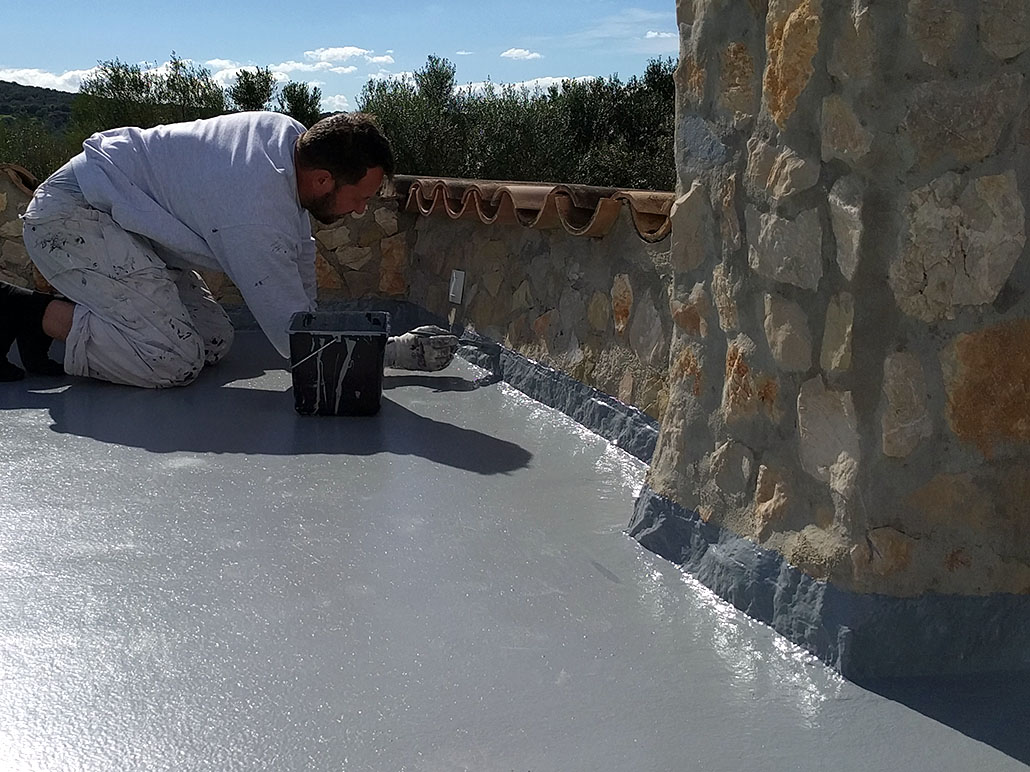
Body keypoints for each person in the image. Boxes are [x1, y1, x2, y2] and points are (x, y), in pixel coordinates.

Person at [0, 111, 458, 386]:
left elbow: (298, 256)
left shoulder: (290, 142)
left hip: (124, 222)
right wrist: (394, 352)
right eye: (359, 198)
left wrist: (323, 324)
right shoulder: (254, 209)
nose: (360, 211)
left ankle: (50, 326)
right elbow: (291, 338)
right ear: (323, 181)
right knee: (173, 362)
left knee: (215, 341)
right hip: (71, 218)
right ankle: (19, 311)